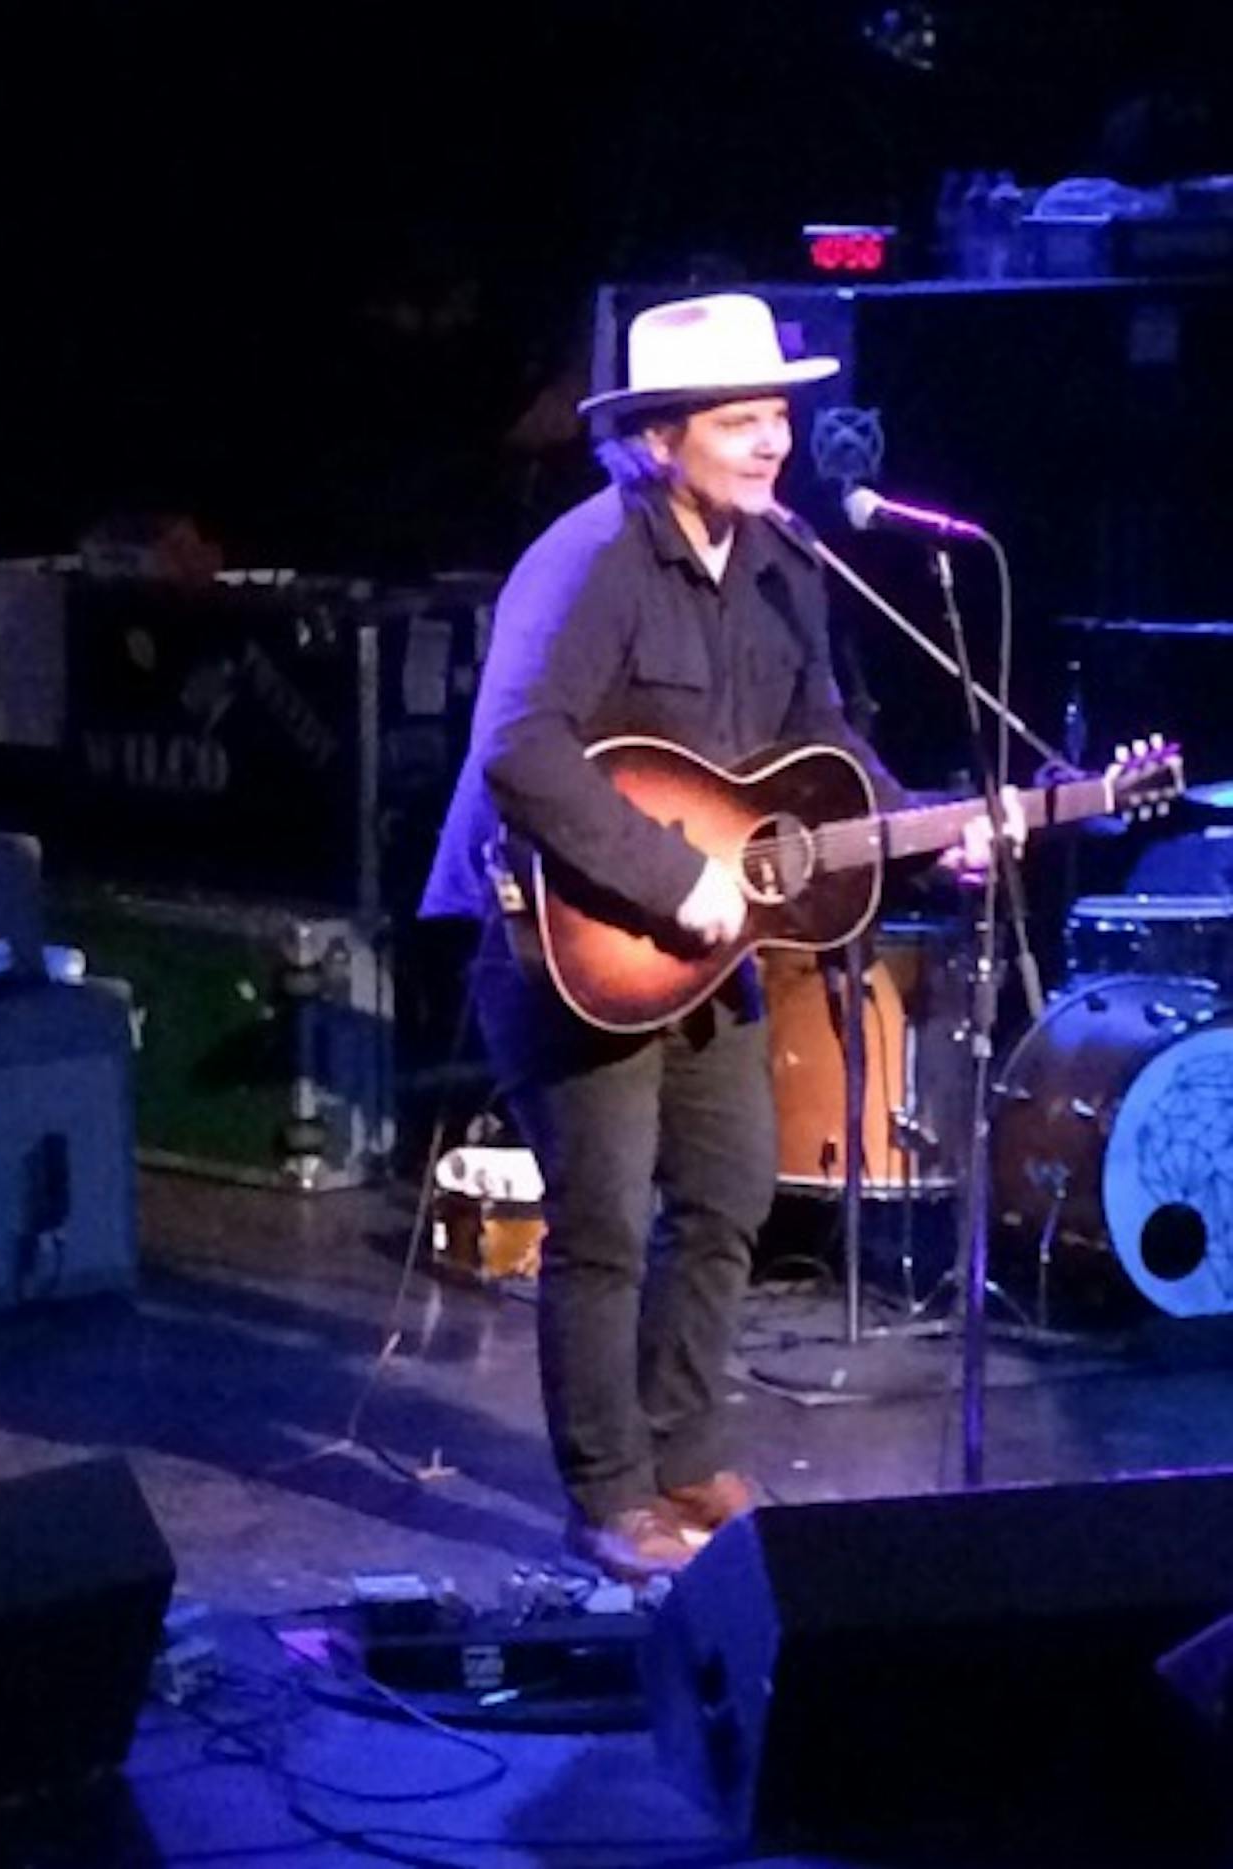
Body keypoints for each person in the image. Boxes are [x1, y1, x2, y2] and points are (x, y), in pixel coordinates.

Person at [422, 293, 1010, 1583]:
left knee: (733, 1187)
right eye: (742, 420)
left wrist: (928, 827)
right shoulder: (588, 560)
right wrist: (663, 870)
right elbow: (516, 745)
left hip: (704, 943)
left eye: (780, 418)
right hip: (566, 930)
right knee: (604, 1217)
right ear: (659, 437)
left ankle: (686, 1451)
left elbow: (825, 758)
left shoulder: (788, 571)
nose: (774, 443)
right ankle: (609, 1492)